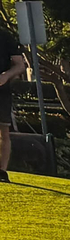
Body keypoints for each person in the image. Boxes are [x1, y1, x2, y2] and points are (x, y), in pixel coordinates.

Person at [0, 27, 25, 183]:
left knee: (3, 132)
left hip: (1, 92)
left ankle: (1, 172)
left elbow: (20, 65)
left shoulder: (5, 37)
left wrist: (6, 75)